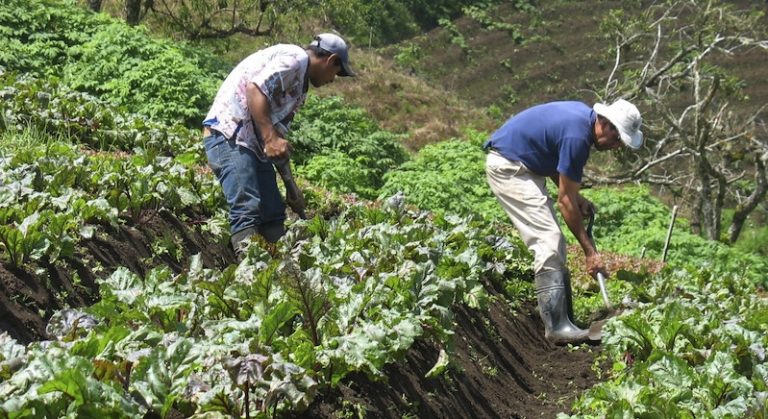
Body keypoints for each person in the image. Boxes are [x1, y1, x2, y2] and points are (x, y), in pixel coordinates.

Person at [484, 99, 643, 345]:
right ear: (605, 124)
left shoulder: (581, 120)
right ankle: (557, 327)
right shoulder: (577, 137)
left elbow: (553, 162)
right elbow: (564, 201)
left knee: (554, 239)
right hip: (509, 167)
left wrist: (577, 197)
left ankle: (565, 319)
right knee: (549, 239)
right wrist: (590, 252)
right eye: (617, 139)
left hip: (525, 165)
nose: (616, 146)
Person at [202, 33, 355, 251]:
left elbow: (278, 144)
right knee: (247, 208)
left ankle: (278, 274)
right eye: (336, 73)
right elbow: (255, 89)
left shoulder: (299, 91)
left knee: (273, 212)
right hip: (229, 135)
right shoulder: (295, 59)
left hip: (253, 145)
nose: (333, 79)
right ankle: (249, 275)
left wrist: (292, 189)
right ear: (330, 60)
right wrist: (270, 137)